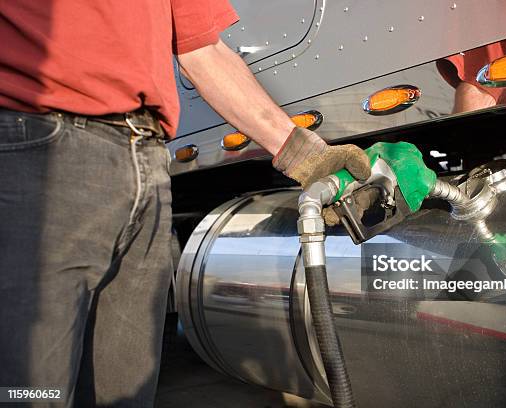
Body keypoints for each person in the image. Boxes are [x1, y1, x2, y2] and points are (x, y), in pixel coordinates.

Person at [0, 1, 379, 406]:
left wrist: (307, 158)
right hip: (40, 145)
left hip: (145, 157)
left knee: (124, 392)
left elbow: (202, 50)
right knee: (30, 389)